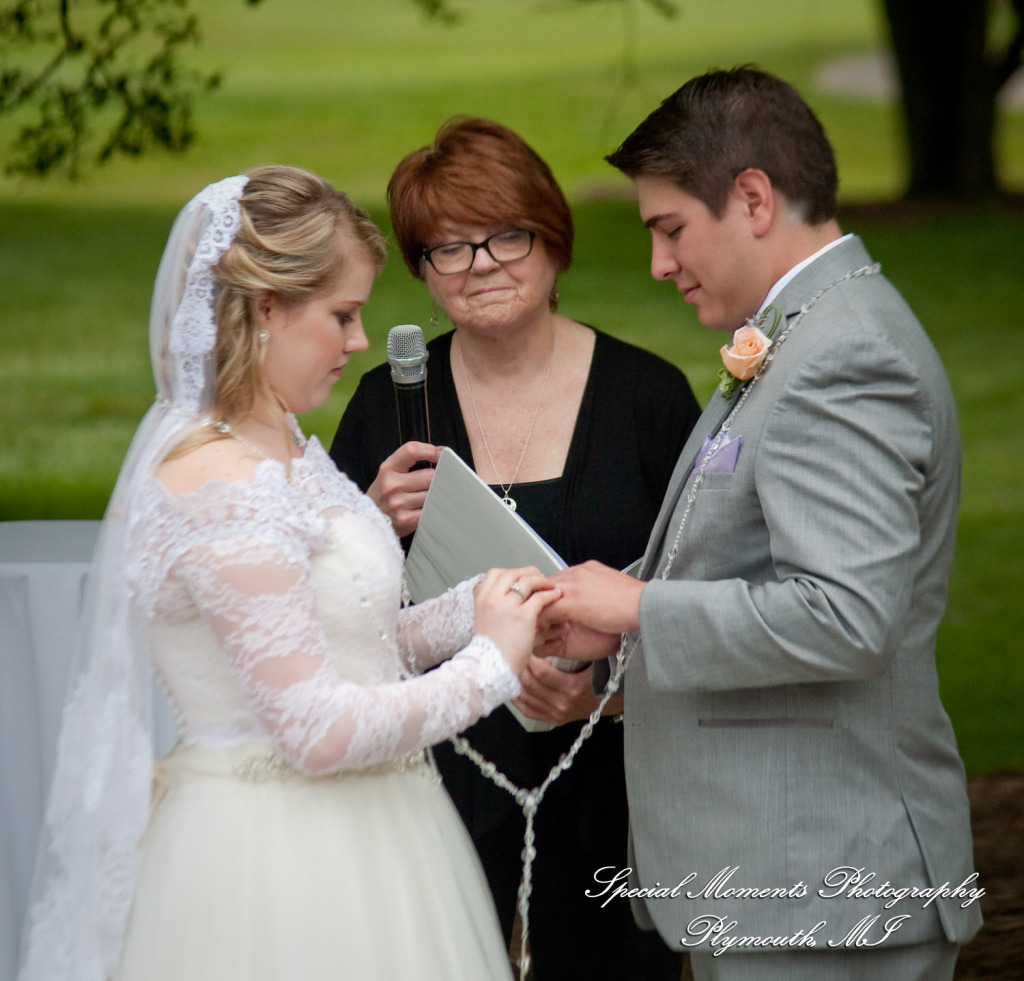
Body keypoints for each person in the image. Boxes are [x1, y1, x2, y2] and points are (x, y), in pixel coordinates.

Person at [18, 165, 562, 981]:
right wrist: (491, 666)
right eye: (342, 315)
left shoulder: (290, 449)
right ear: (265, 308)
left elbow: (355, 641)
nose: (356, 341)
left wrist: (482, 607)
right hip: (278, 865)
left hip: (381, 832)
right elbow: (314, 729)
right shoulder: (220, 484)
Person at [542, 67, 983, 980]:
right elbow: (750, 559)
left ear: (752, 198)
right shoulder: (804, 331)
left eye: (670, 228)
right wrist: (612, 643)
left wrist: (637, 609)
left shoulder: (844, 355)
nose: (660, 263)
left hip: (826, 880)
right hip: (787, 880)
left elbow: (843, 614)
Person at [330, 118, 698, 979]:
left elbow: (700, 593)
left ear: (552, 241)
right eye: (447, 248)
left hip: (613, 777)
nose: (482, 263)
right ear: (422, 272)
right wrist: (369, 527)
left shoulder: (648, 397)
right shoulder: (387, 408)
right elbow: (325, 619)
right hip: (435, 782)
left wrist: (602, 698)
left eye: (506, 234)